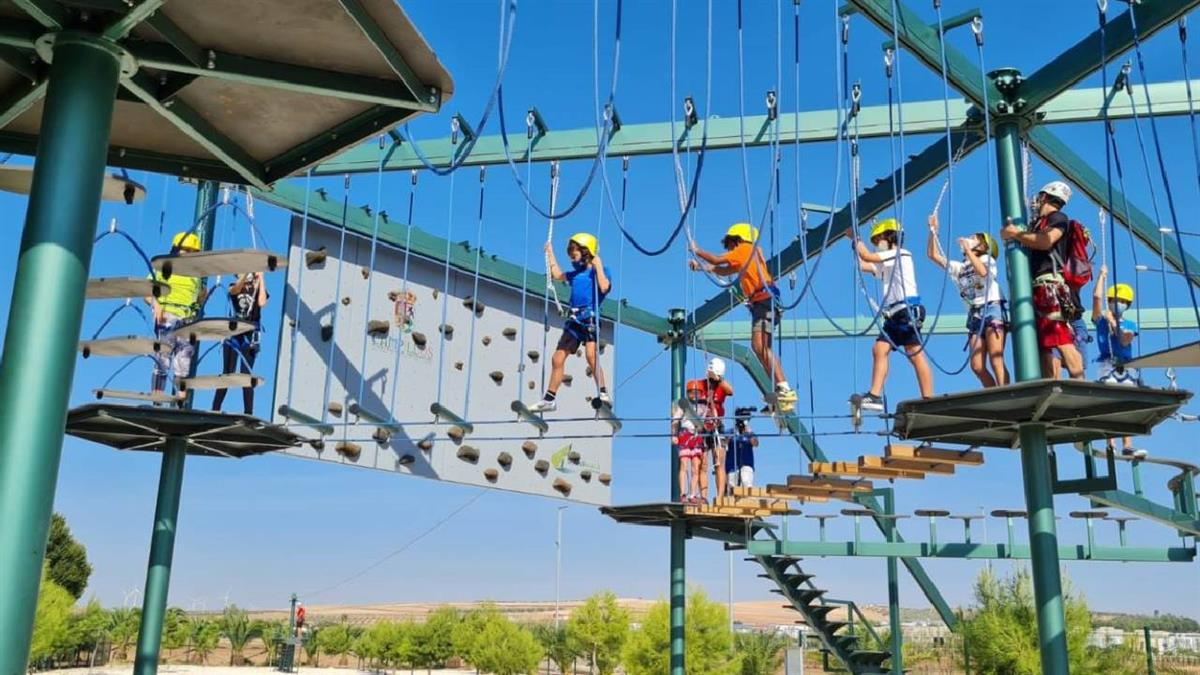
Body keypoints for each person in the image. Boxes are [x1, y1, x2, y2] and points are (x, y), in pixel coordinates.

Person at [689, 223, 796, 412]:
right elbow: (722, 269)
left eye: (730, 244)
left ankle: (784, 388)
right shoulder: (749, 254)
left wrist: (698, 251)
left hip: (765, 301)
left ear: (737, 240)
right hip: (765, 303)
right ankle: (779, 389)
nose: (729, 249)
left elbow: (718, 259)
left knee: (760, 346)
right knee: (762, 349)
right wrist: (701, 268)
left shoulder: (745, 249)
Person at [1000, 181, 1085, 380]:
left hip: (1050, 286)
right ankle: (1049, 384)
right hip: (1038, 288)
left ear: (1045, 197)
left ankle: (1080, 381)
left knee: (1060, 336)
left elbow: (1046, 241)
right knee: (1044, 344)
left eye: (1039, 198)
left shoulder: (1058, 218)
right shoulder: (1038, 223)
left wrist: (1015, 233)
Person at [851, 219, 935, 411]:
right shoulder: (887, 261)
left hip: (907, 310)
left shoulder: (900, 254)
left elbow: (867, 256)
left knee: (914, 353)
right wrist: (854, 246)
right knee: (879, 349)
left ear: (890, 237)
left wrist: (855, 237)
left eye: (879, 239)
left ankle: (929, 398)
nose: (877, 244)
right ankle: (875, 395)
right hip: (895, 313)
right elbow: (864, 264)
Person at [531, 233, 612, 413]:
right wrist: (550, 253)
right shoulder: (575, 274)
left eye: (575, 253)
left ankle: (604, 392)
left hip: (589, 318)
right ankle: (549, 399)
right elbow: (557, 274)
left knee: (591, 356)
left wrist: (597, 265)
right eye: (570, 254)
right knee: (557, 358)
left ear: (586, 252)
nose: (572, 257)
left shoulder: (600, 271)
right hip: (575, 321)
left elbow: (605, 287)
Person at [926, 212, 1008, 387]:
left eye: (974, 238)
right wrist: (933, 231)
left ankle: (1005, 391)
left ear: (984, 246)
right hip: (975, 315)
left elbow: (983, 272)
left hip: (992, 308)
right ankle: (993, 393)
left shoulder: (987, 259)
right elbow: (933, 255)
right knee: (977, 366)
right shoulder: (960, 267)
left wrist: (969, 250)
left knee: (996, 358)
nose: (969, 239)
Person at [1092, 265, 1145, 457]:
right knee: (1110, 403)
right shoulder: (1100, 320)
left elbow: (1124, 339)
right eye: (1115, 300)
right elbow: (1097, 299)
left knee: (1126, 405)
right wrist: (1101, 276)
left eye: (1123, 301)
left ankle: (1126, 443)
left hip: (1125, 365)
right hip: (1108, 364)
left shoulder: (1129, 324)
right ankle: (1110, 442)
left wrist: (1114, 324)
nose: (1119, 303)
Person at [146, 232, 207, 397]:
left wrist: (201, 299)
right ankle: (157, 398)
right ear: (176, 249)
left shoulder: (196, 275)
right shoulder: (164, 267)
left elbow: (198, 298)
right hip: (168, 315)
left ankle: (181, 400)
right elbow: (147, 290)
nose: (189, 254)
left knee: (184, 358)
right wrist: (156, 305)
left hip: (187, 318)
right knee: (163, 357)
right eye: (186, 250)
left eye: (193, 251)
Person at [212, 272, 268, 415]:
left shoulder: (257, 290)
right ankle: (215, 409)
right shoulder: (234, 286)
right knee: (227, 372)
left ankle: (248, 412)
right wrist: (244, 275)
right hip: (234, 333)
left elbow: (262, 302)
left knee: (246, 375)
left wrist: (261, 278)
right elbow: (234, 291)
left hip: (250, 335)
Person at [697, 358, 734, 500]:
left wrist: (718, 379)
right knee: (703, 464)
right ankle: (703, 497)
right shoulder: (701, 385)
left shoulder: (721, 387)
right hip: (703, 428)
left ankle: (719, 497)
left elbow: (731, 390)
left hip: (718, 427)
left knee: (719, 463)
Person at [671, 380, 707, 503]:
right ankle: (683, 494)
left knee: (695, 468)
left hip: (697, 436)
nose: (694, 395)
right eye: (692, 392)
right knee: (684, 465)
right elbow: (675, 421)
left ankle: (692, 494)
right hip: (685, 435)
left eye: (696, 392)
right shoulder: (683, 406)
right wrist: (674, 435)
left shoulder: (703, 407)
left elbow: (706, 421)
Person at [725, 407, 758, 491]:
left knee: (746, 480)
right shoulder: (730, 431)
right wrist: (731, 436)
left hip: (746, 463)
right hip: (732, 464)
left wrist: (749, 433)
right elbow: (723, 443)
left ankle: (748, 500)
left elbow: (755, 443)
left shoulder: (750, 433)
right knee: (732, 483)